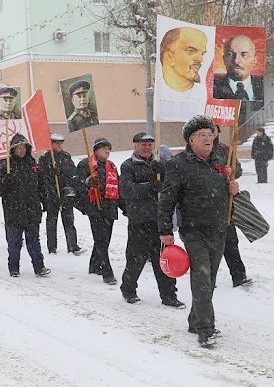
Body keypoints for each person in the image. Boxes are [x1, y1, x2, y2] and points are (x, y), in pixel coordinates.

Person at [158, 115, 239, 348]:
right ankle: (206, 328)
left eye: (210, 134)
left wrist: (231, 187)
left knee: (210, 279)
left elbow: (225, 189)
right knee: (202, 278)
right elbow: (167, 200)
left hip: (219, 229)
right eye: (201, 135)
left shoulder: (219, 162)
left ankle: (195, 320)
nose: (208, 138)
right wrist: (165, 229)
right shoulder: (178, 164)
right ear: (190, 141)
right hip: (194, 231)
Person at [119, 132, 185, 307]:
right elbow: (126, 190)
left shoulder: (160, 165)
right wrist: (150, 186)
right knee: (135, 259)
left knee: (163, 260)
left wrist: (163, 174)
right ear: (135, 146)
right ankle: (128, 289)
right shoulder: (128, 166)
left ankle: (169, 295)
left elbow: (172, 185)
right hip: (139, 221)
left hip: (160, 221)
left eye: (150, 144)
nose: (147, 147)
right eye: (143, 144)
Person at [0, 133, 51, 277]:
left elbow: (41, 186)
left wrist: (45, 201)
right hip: (13, 211)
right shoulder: (6, 166)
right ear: (13, 149)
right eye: (18, 147)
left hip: (32, 210)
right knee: (14, 243)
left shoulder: (32, 165)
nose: (21, 150)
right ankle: (14, 267)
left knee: (34, 241)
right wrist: (4, 181)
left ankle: (39, 267)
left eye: (24, 147)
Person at [75, 137, 120, 285]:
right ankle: (107, 273)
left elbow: (118, 188)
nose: (107, 151)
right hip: (94, 208)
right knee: (100, 240)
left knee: (104, 240)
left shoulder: (111, 166)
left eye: (109, 149)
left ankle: (94, 266)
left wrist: (125, 207)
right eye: (104, 148)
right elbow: (76, 186)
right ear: (96, 150)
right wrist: (87, 182)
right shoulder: (85, 164)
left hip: (109, 208)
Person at [213, 126, 251, 287]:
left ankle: (239, 276)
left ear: (218, 132)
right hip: (202, 206)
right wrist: (220, 173)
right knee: (210, 248)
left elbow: (238, 170)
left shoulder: (225, 150)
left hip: (225, 203)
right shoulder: (196, 152)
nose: (209, 134)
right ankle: (207, 279)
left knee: (231, 242)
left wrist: (231, 172)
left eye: (212, 130)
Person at [38, 133, 85, 255]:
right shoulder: (45, 158)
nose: (59, 145)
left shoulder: (66, 156)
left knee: (69, 221)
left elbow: (72, 172)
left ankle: (72, 245)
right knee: (51, 223)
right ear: (51, 144)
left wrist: (63, 174)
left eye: (60, 143)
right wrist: (51, 172)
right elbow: (42, 178)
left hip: (65, 194)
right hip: (51, 195)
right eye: (56, 143)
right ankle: (52, 247)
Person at [213, 35, 264, 101]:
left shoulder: (263, 85)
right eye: (230, 55)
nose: (236, 61)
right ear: (224, 59)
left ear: (254, 61)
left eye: (244, 55)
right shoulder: (214, 88)